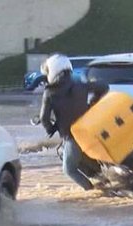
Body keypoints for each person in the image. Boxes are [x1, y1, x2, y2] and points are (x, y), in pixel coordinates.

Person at [39, 54, 109, 190]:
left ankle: (93, 191)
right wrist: (93, 102)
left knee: (69, 169)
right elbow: (104, 87)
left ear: (53, 70)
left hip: (73, 136)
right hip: (91, 131)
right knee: (88, 161)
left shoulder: (50, 92)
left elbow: (44, 118)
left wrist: (50, 129)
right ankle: (105, 180)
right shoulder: (79, 83)